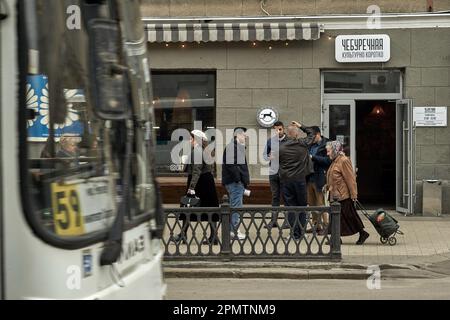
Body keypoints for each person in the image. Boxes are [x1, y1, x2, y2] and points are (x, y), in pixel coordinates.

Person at [172, 130, 220, 245]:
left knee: (187, 208)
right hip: (206, 183)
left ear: (196, 139)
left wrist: (191, 187)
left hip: (199, 183)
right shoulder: (204, 150)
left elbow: (196, 171)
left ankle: (183, 235)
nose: (189, 140)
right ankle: (213, 237)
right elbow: (209, 169)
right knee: (210, 210)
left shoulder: (197, 151)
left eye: (191, 138)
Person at [324, 141, 370, 245]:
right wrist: (327, 186)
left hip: (342, 196)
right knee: (339, 217)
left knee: (349, 217)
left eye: (329, 151)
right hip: (335, 195)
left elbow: (351, 179)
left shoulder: (343, 160)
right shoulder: (335, 160)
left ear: (335, 150)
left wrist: (354, 195)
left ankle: (362, 233)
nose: (327, 154)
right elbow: (333, 176)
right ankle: (337, 238)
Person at [278, 121, 314, 240]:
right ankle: (300, 233)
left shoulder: (281, 147)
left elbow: (277, 162)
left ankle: (294, 233)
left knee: (290, 207)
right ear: (297, 134)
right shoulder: (302, 144)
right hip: (300, 180)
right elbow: (311, 133)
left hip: (286, 181)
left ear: (288, 133)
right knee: (302, 207)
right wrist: (300, 125)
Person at [222, 127, 249, 240]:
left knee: (235, 207)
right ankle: (233, 232)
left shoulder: (236, 147)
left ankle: (233, 230)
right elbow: (231, 165)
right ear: (237, 135)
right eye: (243, 134)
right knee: (236, 208)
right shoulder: (232, 147)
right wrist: (238, 180)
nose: (245, 136)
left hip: (235, 182)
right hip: (235, 183)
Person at [306, 126, 331, 235]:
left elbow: (328, 161)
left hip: (319, 177)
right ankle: (316, 225)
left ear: (318, 134)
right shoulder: (310, 145)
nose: (311, 138)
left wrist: (313, 157)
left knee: (320, 203)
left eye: (312, 136)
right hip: (308, 177)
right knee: (311, 204)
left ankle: (326, 226)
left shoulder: (327, 144)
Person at [263, 121, 288, 229]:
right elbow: (264, 156)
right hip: (273, 172)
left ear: (284, 129)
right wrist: (269, 157)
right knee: (275, 197)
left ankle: (287, 221)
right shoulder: (270, 141)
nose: (278, 132)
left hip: (285, 173)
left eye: (280, 129)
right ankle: (273, 221)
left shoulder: (289, 141)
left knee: (286, 197)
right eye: (276, 129)